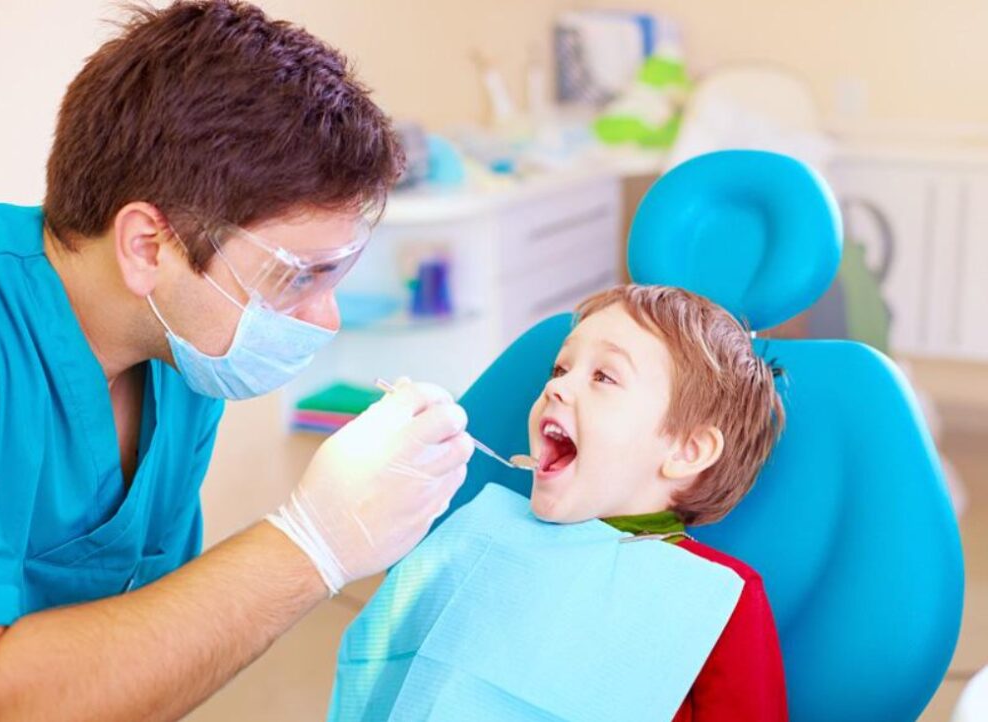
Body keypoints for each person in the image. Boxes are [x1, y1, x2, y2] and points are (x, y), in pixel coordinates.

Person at [0, 2, 473, 720]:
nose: (324, 317)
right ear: (149, 247)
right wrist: (312, 543)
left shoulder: (182, 359)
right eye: (299, 274)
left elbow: (151, 656)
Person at [331, 284, 788, 721]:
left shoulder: (714, 599)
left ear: (687, 451)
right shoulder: (485, 533)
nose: (556, 388)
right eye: (560, 370)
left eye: (604, 376)